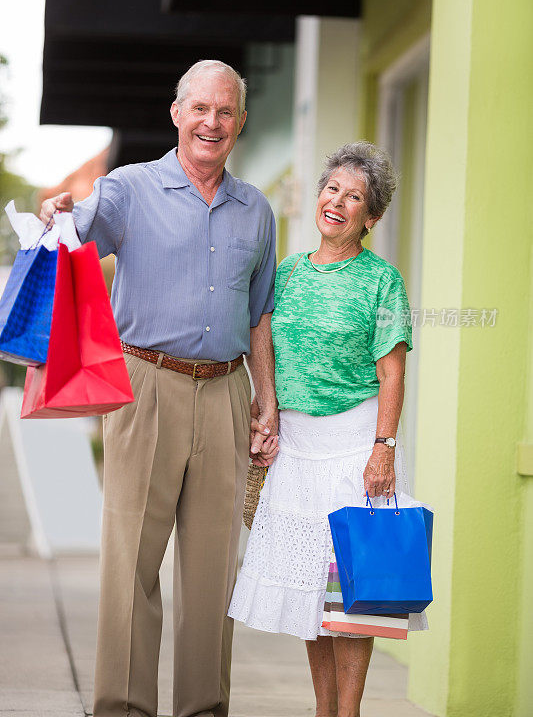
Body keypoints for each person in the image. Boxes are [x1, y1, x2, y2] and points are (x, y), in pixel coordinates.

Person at [40, 60, 279, 717]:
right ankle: (122, 708)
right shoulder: (128, 187)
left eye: (224, 112)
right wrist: (59, 211)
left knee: (211, 576)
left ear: (240, 122)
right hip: (144, 384)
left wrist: (267, 406)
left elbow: (259, 314)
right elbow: (79, 228)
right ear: (176, 113)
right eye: (199, 108)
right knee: (130, 566)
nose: (211, 122)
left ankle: (203, 709)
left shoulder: (255, 209)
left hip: (226, 392)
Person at [229, 142, 428, 717]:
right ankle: (324, 712)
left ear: (372, 217)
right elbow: (261, 346)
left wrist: (383, 449)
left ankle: (349, 711)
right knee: (311, 601)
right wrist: (266, 414)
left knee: (353, 596)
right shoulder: (287, 274)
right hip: (295, 450)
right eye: (332, 189)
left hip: (353, 448)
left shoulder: (381, 281)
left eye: (355, 196)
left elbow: (393, 374)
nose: (337, 202)